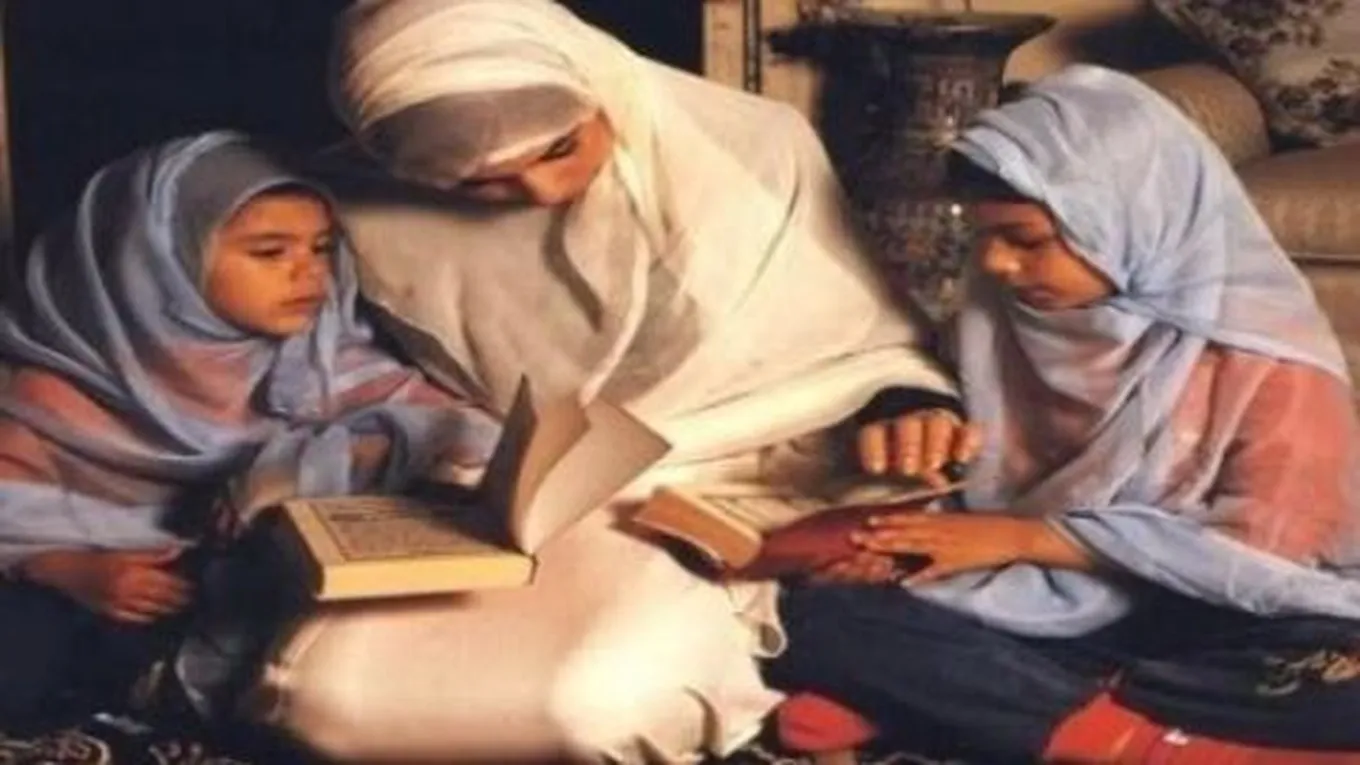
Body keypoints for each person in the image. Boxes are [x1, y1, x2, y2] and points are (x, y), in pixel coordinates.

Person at [250, 0, 957, 762]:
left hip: (714, 492)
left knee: (588, 706)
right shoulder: (365, 203)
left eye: (561, 147)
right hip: (502, 491)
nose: (541, 191)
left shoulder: (750, 149)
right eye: (482, 185)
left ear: (595, 81)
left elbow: (859, 336)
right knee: (327, 698)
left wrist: (904, 401)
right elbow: (345, 372)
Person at [761, 64, 1360, 764]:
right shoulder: (1001, 318)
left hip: (1206, 608)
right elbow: (970, 481)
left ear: (1131, 222)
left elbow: (1265, 562)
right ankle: (1133, 736)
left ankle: (994, 709)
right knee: (816, 615)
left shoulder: (1268, 357)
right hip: (1043, 605)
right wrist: (901, 544)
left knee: (1331, 666)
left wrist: (1033, 538)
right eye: (984, 236)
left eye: (1026, 239)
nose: (996, 263)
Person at [0, 131, 500, 733]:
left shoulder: (320, 356)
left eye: (321, 248)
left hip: (251, 596)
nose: (309, 274)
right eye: (270, 252)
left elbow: (459, 429)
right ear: (158, 260)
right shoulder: (55, 385)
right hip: (98, 588)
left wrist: (297, 469)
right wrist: (69, 569)